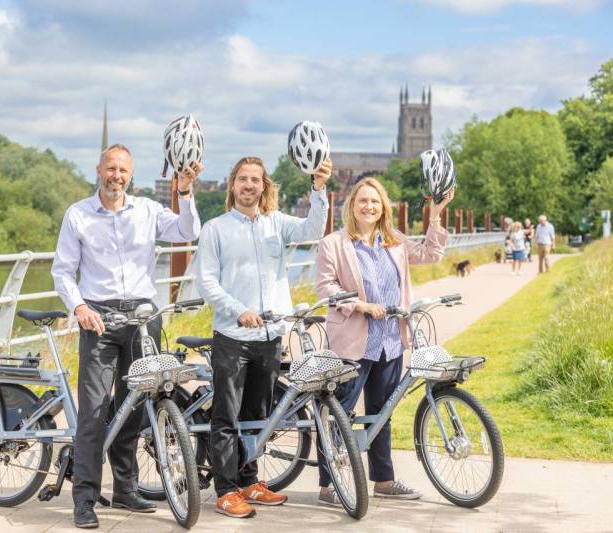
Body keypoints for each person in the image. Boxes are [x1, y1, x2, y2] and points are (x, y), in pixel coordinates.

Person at [51, 144, 203, 529]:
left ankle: (125, 489)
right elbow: (62, 271)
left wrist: (185, 191)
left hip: (143, 317)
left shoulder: (148, 211)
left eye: (123, 171)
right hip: (98, 318)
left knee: (134, 406)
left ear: (130, 176)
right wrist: (80, 308)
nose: (116, 176)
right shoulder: (78, 215)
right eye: (110, 169)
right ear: (98, 170)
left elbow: (188, 231)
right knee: (95, 410)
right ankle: (83, 499)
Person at [196, 155, 331, 519]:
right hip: (233, 335)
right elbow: (206, 282)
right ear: (233, 185)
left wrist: (318, 189)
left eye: (255, 179)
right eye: (242, 179)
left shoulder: (277, 224)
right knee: (227, 415)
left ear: (264, 185)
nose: (249, 185)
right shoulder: (215, 229)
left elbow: (313, 231)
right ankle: (225, 491)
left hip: (270, 335)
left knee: (258, 414)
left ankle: (249, 481)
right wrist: (237, 308)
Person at [314, 177, 452, 505]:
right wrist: (358, 305)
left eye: (375, 202)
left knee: (382, 411)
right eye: (362, 200)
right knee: (339, 411)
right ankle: (327, 484)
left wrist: (435, 213)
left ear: (383, 208)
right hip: (353, 339)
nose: (369, 206)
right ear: (352, 206)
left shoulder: (395, 241)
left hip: (390, 338)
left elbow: (432, 253)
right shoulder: (334, 243)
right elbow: (325, 286)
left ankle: (384, 480)